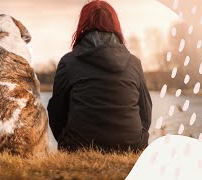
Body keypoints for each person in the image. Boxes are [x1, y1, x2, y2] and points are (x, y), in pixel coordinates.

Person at [47, 0, 152, 152]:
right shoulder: (134, 63)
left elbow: (56, 112)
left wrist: (66, 142)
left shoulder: (68, 62)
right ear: (115, 25)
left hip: (79, 146)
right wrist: (138, 140)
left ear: (82, 26)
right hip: (131, 146)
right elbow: (146, 112)